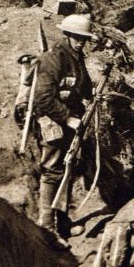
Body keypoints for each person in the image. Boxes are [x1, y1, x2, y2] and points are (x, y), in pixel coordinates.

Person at [33, 15, 95, 249]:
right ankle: (47, 229)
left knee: (68, 168)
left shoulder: (77, 57)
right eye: (77, 38)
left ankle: (63, 223)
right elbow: (43, 98)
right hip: (53, 122)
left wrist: (90, 97)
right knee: (52, 172)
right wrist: (67, 118)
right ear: (67, 35)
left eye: (84, 39)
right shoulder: (53, 59)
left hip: (72, 122)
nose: (81, 42)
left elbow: (83, 86)